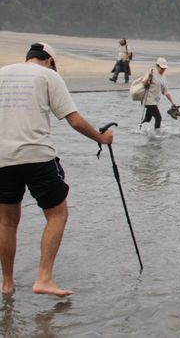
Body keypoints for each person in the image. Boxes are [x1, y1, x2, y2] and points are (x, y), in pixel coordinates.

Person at [0, 42, 114, 297]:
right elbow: (73, 120)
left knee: (6, 221)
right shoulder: (48, 76)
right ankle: (44, 278)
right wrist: (100, 138)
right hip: (37, 155)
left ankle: (7, 284)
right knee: (57, 214)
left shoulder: (2, 73)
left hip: (2, 158)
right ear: (50, 61)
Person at [140, 57, 179, 129]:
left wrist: (172, 103)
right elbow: (144, 84)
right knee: (158, 118)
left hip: (155, 101)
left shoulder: (163, 76)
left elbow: (165, 91)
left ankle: (139, 130)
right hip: (149, 101)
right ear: (157, 66)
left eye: (164, 68)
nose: (163, 70)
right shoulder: (151, 73)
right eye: (162, 68)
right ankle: (157, 135)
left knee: (147, 119)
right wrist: (149, 77)